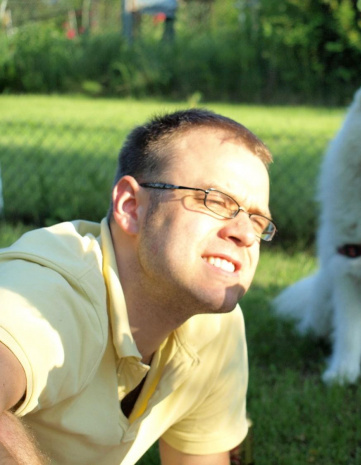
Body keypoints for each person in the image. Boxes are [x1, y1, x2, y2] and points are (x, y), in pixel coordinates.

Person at [0, 108, 276, 464]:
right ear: (131, 207)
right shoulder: (50, 292)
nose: (243, 233)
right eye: (215, 201)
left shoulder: (216, 325)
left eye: (257, 220)